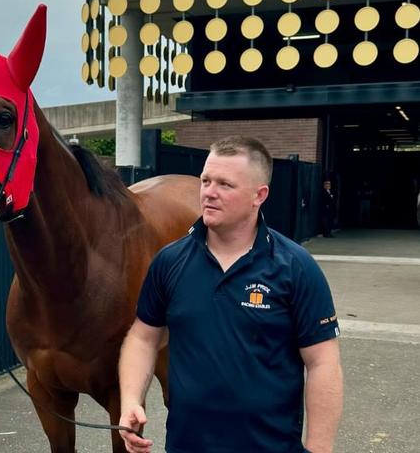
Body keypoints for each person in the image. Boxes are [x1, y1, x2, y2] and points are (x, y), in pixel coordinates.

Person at [118, 136, 343, 453]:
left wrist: (319, 448)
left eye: (225, 184)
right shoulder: (169, 262)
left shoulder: (296, 268)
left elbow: (323, 363)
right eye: (206, 180)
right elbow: (143, 337)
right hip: (186, 446)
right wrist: (130, 399)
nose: (209, 192)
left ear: (259, 195)